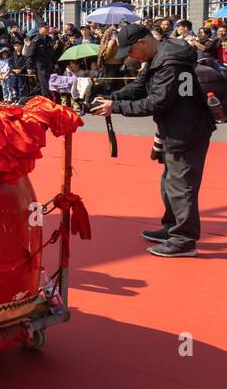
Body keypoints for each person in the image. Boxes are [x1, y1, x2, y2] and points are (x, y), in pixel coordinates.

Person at [91, 22, 216, 257]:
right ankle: (172, 228)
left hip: (186, 129)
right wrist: (111, 96)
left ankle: (184, 240)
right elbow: (141, 86)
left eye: (130, 51)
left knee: (181, 185)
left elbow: (156, 101)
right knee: (170, 181)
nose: (130, 57)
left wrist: (115, 106)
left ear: (142, 42)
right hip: (174, 127)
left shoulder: (169, 62)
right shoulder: (160, 54)